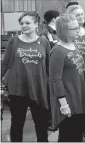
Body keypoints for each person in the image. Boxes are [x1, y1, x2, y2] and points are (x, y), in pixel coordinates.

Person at [1, 11, 50, 142]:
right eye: (21, 23)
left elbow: (48, 66)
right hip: (17, 88)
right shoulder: (14, 41)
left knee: (41, 123)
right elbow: (5, 63)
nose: (24, 25)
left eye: (27, 23)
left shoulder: (44, 41)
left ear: (36, 25)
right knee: (17, 123)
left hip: (39, 88)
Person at [49, 14, 85, 142]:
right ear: (64, 31)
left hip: (78, 97)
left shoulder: (73, 44)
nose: (78, 30)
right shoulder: (58, 51)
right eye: (74, 28)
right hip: (68, 100)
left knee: (77, 135)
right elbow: (55, 79)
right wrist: (63, 104)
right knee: (67, 136)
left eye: (78, 27)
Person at [66, 4, 85, 135]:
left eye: (82, 14)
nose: (81, 17)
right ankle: (77, 131)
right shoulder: (70, 33)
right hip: (75, 71)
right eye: (78, 15)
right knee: (78, 100)